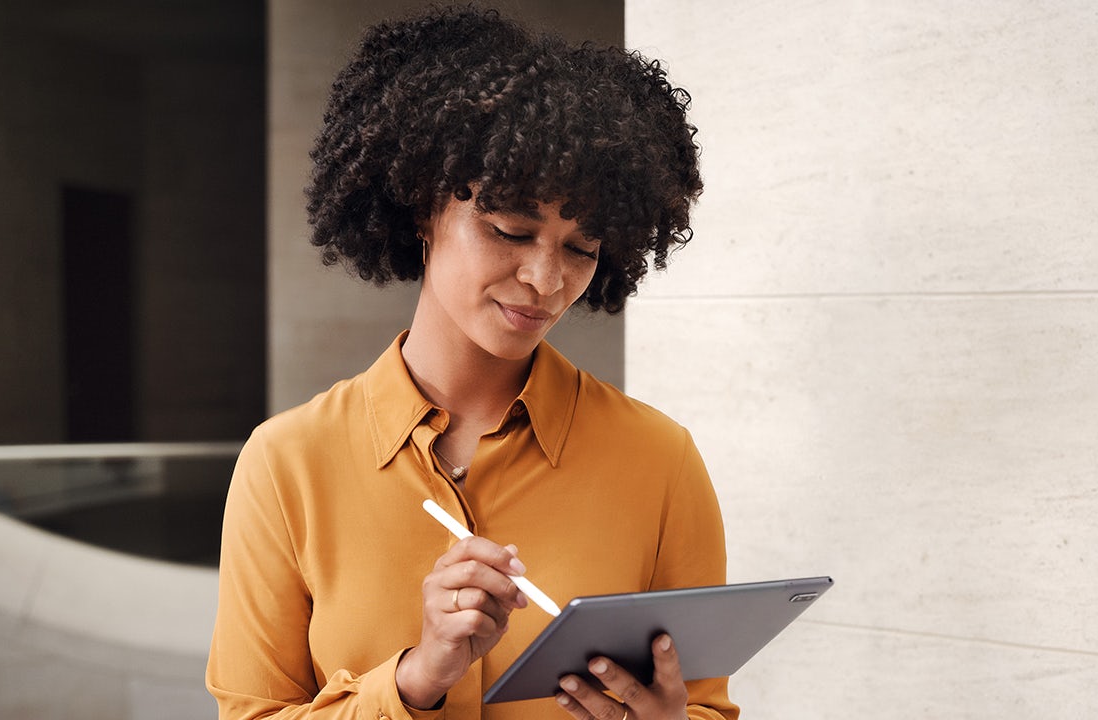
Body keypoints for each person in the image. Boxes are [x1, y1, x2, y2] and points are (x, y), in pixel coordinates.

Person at [206, 5, 738, 720]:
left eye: (582, 249)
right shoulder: (286, 465)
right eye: (510, 231)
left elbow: (705, 706)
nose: (547, 282)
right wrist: (415, 681)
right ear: (422, 207)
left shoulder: (659, 460)